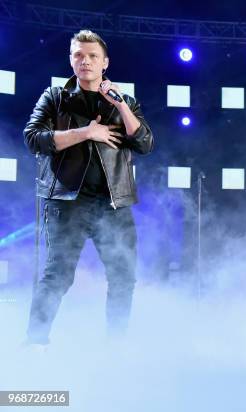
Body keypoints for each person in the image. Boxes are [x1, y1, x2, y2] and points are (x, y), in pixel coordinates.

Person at [23, 30, 153, 345]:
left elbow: (145, 143)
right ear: (71, 60)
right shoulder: (55, 97)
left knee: (123, 278)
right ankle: (35, 344)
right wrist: (86, 133)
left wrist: (121, 105)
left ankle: (115, 347)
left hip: (114, 203)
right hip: (68, 202)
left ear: (105, 63)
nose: (85, 61)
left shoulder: (124, 102)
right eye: (79, 55)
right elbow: (33, 138)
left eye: (92, 56)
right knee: (57, 276)